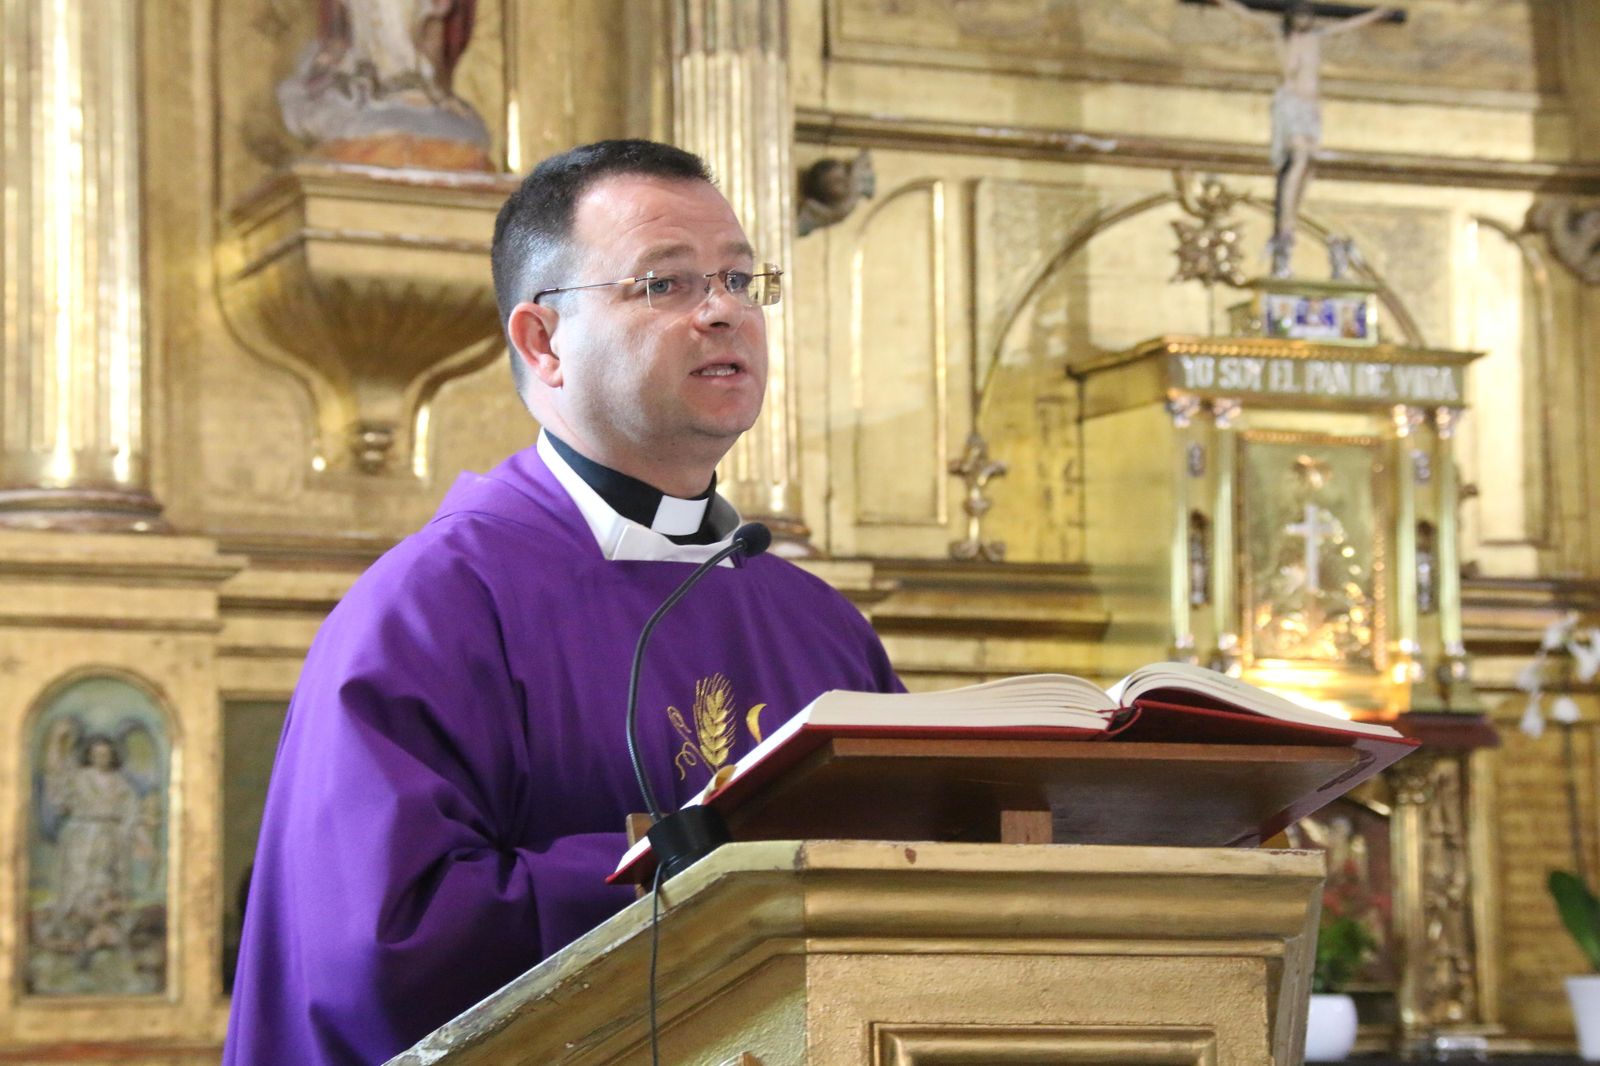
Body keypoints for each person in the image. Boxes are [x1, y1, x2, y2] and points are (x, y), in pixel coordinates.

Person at [223, 139, 902, 1065]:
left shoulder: (818, 624)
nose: (723, 312)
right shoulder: (430, 609)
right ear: (542, 341)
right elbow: (380, 952)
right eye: (666, 285)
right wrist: (695, 870)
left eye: (743, 279)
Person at [1214, 0, 1396, 275]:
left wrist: (1376, 15)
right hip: (1292, 105)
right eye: (1299, 16)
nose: (1304, 21)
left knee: (1309, 165)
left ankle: (1291, 219)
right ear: (1291, 18)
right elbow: (1249, 16)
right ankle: (1285, 227)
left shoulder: (1316, 37)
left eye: (1307, 16)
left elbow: (1346, 26)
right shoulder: (1282, 35)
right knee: (1299, 159)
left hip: (1311, 108)